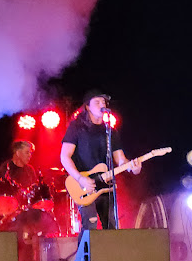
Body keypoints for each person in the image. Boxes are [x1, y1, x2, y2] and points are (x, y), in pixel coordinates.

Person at [60, 90, 141, 241]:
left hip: (106, 185)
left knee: (111, 226)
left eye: (103, 102)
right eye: (97, 102)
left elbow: (120, 160)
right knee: (90, 224)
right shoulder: (76, 128)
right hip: (84, 185)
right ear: (88, 107)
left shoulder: (110, 132)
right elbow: (64, 156)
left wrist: (133, 167)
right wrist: (80, 178)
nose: (102, 105)